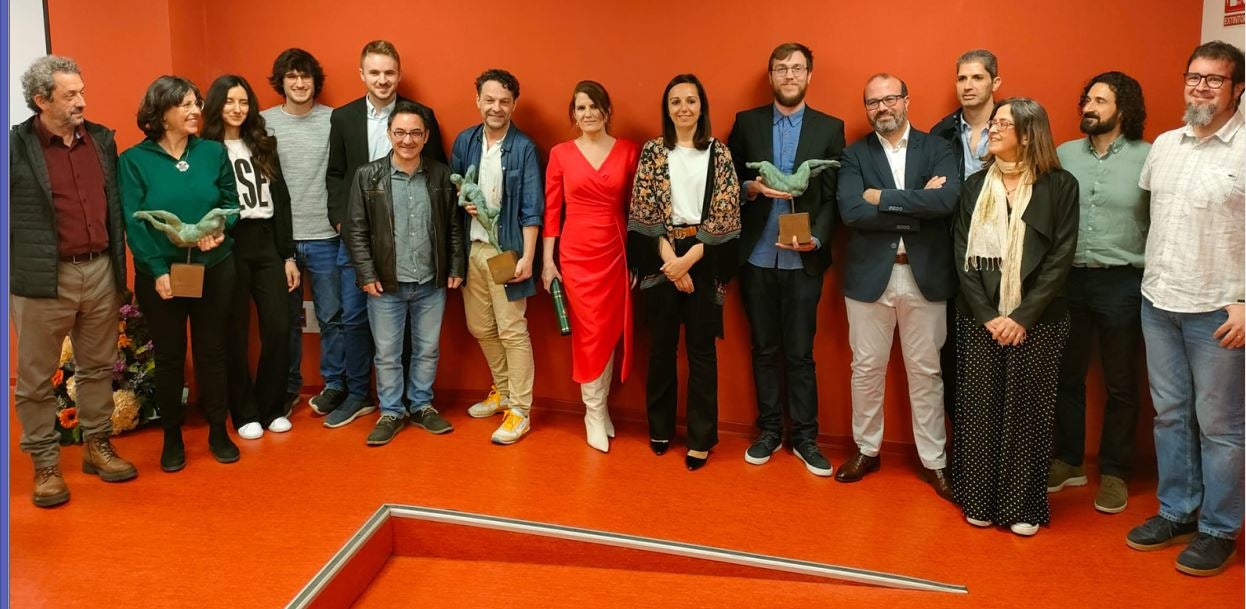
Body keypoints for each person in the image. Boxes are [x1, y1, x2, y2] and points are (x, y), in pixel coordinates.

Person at [1125, 41, 1245, 577]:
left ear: (1237, 89)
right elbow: (1154, 217)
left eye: (1214, 80)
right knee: (1170, 416)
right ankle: (1177, 510)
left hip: (1219, 311)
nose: (1200, 87)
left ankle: (1218, 529)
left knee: (1220, 426)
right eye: (1194, 77)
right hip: (1159, 301)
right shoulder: (1165, 146)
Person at [11, 55, 137, 507]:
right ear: (42, 100)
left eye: (82, 90)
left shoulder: (101, 139)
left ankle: (97, 446)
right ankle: (45, 464)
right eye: (71, 95)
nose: (82, 100)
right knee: (34, 380)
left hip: (100, 268)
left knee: (98, 366)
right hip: (43, 278)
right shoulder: (15, 147)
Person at [950, 97, 1079, 536]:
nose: (993, 129)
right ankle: (980, 498)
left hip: (1038, 320)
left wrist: (1022, 316)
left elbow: (1061, 257)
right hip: (979, 316)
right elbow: (962, 257)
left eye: (1003, 123)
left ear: (1028, 133)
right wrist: (988, 315)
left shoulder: (1060, 185)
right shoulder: (974, 186)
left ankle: (1022, 507)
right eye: (995, 123)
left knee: (1028, 412)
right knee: (979, 408)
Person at [836, 74, 959, 501]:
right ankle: (867, 450)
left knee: (927, 372)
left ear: (907, 100)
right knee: (865, 369)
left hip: (924, 275)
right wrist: (913, 204)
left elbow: (945, 202)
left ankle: (934, 461)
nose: (882, 107)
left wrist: (881, 198)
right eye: (873, 102)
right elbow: (851, 211)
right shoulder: (853, 155)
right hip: (870, 277)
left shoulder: (939, 148)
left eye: (890, 99)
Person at [727, 42, 844, 477]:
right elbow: (728, 181)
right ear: (771, 75)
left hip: (804, 260)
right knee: (763, 349)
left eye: (797, 69)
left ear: (809, 76)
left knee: (800, 352)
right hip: (756, 258)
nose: (789, 75)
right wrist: (749, 190)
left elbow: (833, 197)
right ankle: (770, 431)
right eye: (781, 68)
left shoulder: (831, 128)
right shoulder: (746, 123)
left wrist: (816, 238)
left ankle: (806, 438)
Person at [322, 40, 446, 428]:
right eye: (374, 72)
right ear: (362, 75)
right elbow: (336, 174)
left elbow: (438, 175)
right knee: (356, 318)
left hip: (412, 241)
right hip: (359, 238)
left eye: (389, 72)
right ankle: (361, 394)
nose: (382, 80)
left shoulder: (421, 115)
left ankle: (412, 404)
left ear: (399, 74)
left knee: (414, 330)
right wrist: (344, 223)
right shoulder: (342, 118)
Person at [120, 75, 241, 472]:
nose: (195, 111)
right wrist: (156, 270)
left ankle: (218, 430)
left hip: (214, 267)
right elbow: (134, 222)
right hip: (162, 276)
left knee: (213, 350)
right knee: (170, 356)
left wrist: (218, 230)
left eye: (197, 103)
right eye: (185, 105)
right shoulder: (134, 161)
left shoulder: (212, 152)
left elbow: (231, 202)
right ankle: (172, 435)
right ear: (161, 113)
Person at [1049, 71, 1150, 514]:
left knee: (1121, 382)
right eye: (1086, 99)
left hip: (1122, 281)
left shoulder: (1150, 156)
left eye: (1100, 101)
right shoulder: (1066, 153)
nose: (1088, 107)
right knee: (1065, 376)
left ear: (1122, 109)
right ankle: (1069, 461)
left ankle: (1114, 472)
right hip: (1068, 279)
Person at [630, 74, 741, 471]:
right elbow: (642, 209)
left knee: (701, 352)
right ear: (667, 109)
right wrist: (669, 262)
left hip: (704, 253)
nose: (683, 108)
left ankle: (700, 437)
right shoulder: (653, 152)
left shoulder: (720, 154)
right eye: (675, 101)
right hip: (661, 251)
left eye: (690, 101)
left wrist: (689, 260)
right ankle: (659, 428)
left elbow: (726, 214)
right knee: (660, 350)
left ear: (701, 107)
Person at [344, 102, 465, 446]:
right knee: (386, 353)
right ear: (389, 134)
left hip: (430, 282)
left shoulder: (441, 175)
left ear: (426, 137)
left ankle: (422, 405)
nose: (407, 140)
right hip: (385, 284)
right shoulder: (368, 176)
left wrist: (456, 266)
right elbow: (356, 229)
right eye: (400, 132)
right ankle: (392, 411)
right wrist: (366, 273)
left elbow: (454, 226)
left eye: (415, 133)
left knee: (427, 349)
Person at [202, 74, 299, 440]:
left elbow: (283, 201)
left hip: (266, 239)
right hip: (229, 242)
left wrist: (287, 254)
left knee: (278, 326)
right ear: (216, 106)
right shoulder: (205, 149)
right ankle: (243, 412)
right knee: (235, 331)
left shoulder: (261, 144)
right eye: (229, 101)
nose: (237, 109)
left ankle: (271, 405)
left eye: (243, 101)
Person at [544, 80, 639, 453]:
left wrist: (637, 259)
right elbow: (552, 210)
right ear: (573, 113)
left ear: (607, 110)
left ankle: (602, 409)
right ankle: (593, 412)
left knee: (611, 330)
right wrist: (548, 261)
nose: (588, 114)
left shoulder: (629, 152)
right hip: (576, 252)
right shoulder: (561, 153)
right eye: (581, 108)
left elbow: (637, 212)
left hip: (615, 249)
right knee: (589, 333)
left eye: (594, 107)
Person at [450, 69, 543, 444]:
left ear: (513, 104)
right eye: (489, 99)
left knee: (511, 329)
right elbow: (453, 191)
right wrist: (465, 204)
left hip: (506, 251)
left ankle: (520, 411)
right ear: (478, 101)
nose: (496, 107)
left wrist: (528, 258)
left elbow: (532, 209)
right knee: (479, 326)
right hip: (471, 248)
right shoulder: (465, 141)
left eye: (504, 101)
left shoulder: (523, 148)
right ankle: (503, 391)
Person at [261, 48, 335, 417]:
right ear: (281, 82)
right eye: (292, 76)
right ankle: (287, 390)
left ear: (314, 81)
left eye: (305, 76)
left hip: (325, 236)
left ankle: (335, 387)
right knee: (283, 321)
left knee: (332, 317)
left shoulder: (334, 120)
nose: (300, 83)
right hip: (280, 241)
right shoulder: (262, 123)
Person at [931, 49, 1003, 417]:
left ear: (995, 82)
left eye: (977, 78)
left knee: (1001, 352)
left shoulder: (1014, 125)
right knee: (954, 356)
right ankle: (961, 448)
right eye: (962, 78)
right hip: (953, 253)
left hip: (1004, 255)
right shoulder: (941, 132)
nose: (968, 86)